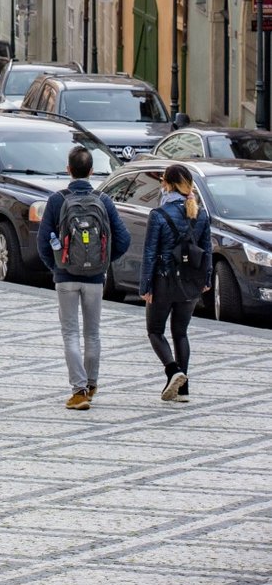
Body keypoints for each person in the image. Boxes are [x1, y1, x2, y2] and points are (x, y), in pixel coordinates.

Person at [37, 144, 131, 410]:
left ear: (69, 169)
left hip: (65, 277)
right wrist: (102, 263)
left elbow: (43, 243)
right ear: (91, 170)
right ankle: (91, 384)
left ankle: (77, 390)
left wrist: (57, 265)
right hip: (95, 278)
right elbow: (123, 240)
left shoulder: (57, 200)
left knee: (70, 333)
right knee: (93, 333)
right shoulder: (103, 201)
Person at [140, 163, 212, 402]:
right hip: (191, 281)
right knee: (181, 332)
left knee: (155, 331)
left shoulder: (159, 215)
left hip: (163, 281)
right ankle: (183, 389)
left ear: (167, 185)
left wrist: (145, 286)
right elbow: (207, 250)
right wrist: (207, 280)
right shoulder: (200, 213)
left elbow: (150, 253)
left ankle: (174, 371)